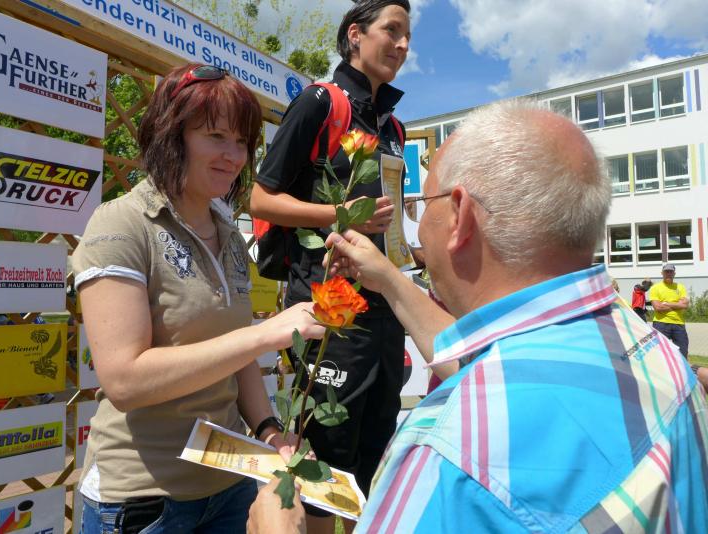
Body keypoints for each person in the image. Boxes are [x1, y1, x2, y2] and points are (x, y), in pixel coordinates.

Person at [247, 101, 708, 533]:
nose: (417, 226)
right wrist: (388, 278)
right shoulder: (657, 356)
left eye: (423, 204)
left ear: (460, 215)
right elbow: (486, 363)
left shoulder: (447, 453)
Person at [72, 64, 325, 534]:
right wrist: (263, 336)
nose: (234, 156)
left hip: (229, 489)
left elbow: (237, 356)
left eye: (242, 142)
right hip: (144, 500)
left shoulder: (228, 234)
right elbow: (124, 380)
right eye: (215, 136)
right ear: (172, 135)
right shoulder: (122, 224)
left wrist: (268, 431)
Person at [250, 1, 417, 530]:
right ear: (356, 34)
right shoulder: (320, 102)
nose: (402, 45)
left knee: (372, 459)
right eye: (392, 30)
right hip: (329, 313)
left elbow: (386, 221)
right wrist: (340, 214)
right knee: (324, 468)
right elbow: (259, 198)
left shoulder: (395, 127)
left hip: (384, 311)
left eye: (408, 36)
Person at [650, 263, 690, 358]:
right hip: (660, 324)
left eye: (670, 272)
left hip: (678, 324)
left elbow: (685, 305)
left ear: (674, 273)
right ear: (662, 273)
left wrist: (667, 304)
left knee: (683, 352)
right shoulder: (655, 288)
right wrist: (677, 305)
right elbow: (658, 308)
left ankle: (681, 368)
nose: (668, 273)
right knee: (660, 354)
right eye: (666, 272)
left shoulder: (680, 287)